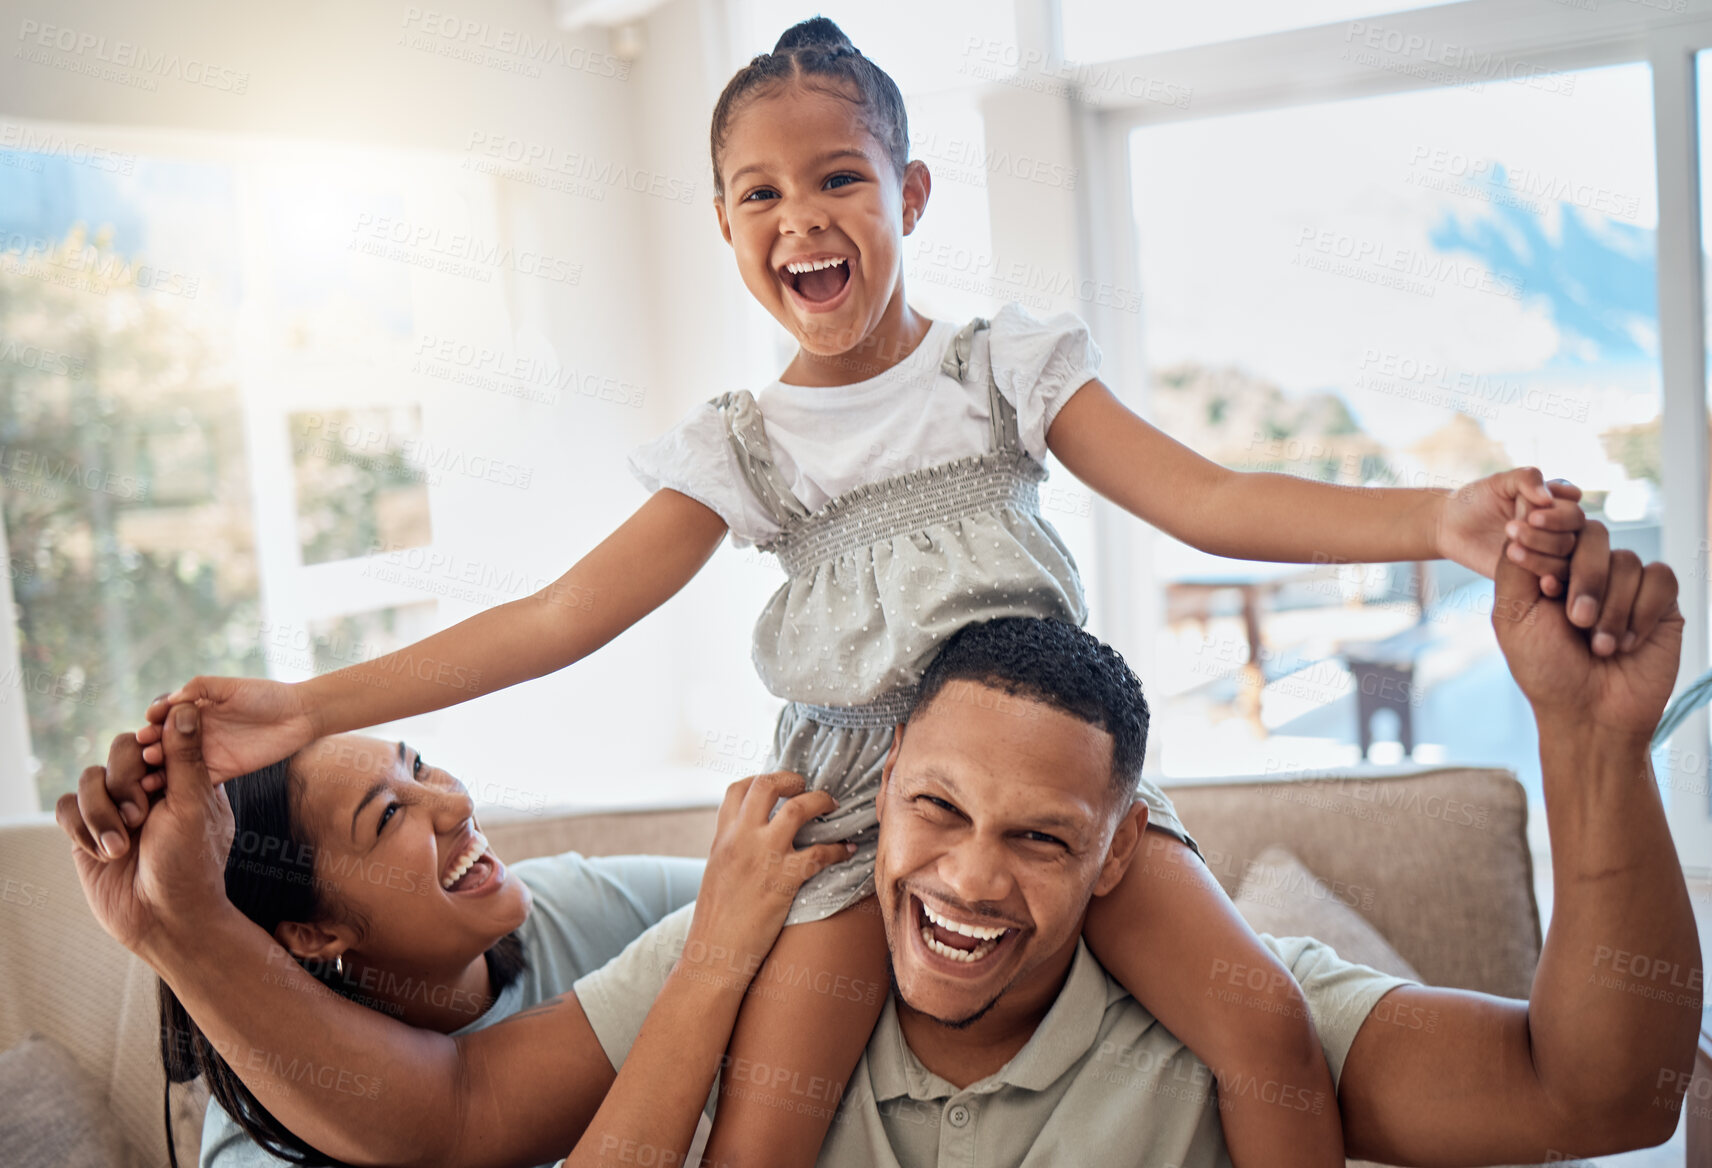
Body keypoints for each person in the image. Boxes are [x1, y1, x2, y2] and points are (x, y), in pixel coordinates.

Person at [109, 15, 1606, 1167]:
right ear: (724, 227)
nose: (802, 218)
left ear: (911, 191)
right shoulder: (747, 451)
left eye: (839, 178)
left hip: (1040, 798)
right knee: (774, 1125)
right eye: (759, 192)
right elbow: (559, 619)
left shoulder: (1001, 373)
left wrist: (1440, 519)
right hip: (843, 823)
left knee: (1265, 1019)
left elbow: (1208, 497)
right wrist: (306, 703)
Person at [64, 523, 1695, 1166]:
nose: (972, 877)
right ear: (869, 791)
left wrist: (1591, 745)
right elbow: (465, 1106)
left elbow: (1603, 1088)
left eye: (1043, 835)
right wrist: (184, 921)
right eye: (935, 810)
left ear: (1131, 848)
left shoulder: (1218, 1005)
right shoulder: (754, 948)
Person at [148, 734, 704, 1166]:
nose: (456, 800)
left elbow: (771, 894)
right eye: (388, 814)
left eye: (416, 766)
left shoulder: (571, 906)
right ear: (316, 934)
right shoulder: (268, 1150)